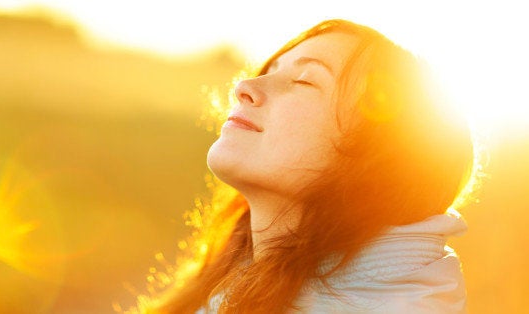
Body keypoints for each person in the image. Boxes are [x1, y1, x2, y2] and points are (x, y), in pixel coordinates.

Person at [141, 19, 475, 313]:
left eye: (304, 81)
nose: (244, 87)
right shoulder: (235, 278)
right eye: (270, 71)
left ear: (379, 158)